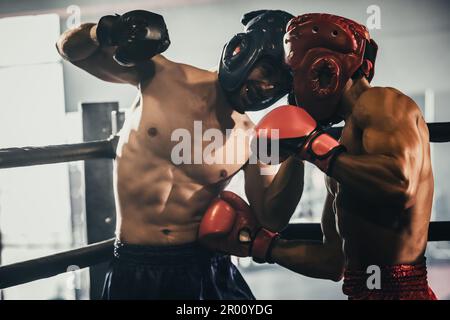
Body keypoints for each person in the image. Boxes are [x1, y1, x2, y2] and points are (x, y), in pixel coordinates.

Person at [56, 9, 304, 300]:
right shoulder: (160, 75)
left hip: (207, 271)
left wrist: (304, 146)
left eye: (280, 84)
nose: (267, 88)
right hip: (136, 266)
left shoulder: (258, 137)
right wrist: (103, 32)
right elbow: (69, 49)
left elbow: (272, 218)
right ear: (241, 51)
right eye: (268, 71)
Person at [225, 13, 437, 300]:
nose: (293, 93)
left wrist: (311, 145)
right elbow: (333, 262)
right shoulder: (341, 151)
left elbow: (399, 184)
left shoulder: (381, 102)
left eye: (294, 77)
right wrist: (260, 246)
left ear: (323, 73)